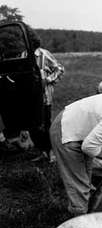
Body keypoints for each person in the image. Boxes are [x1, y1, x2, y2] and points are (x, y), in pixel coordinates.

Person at [23, 26, 64, 158]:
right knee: (33, 126)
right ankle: (42, 151)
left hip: (44, 97)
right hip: (30, 97)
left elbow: (59, 69)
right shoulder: (23, 55)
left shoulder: (44, 54)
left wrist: (47, 80)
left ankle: (51, 152)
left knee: (46, 124)